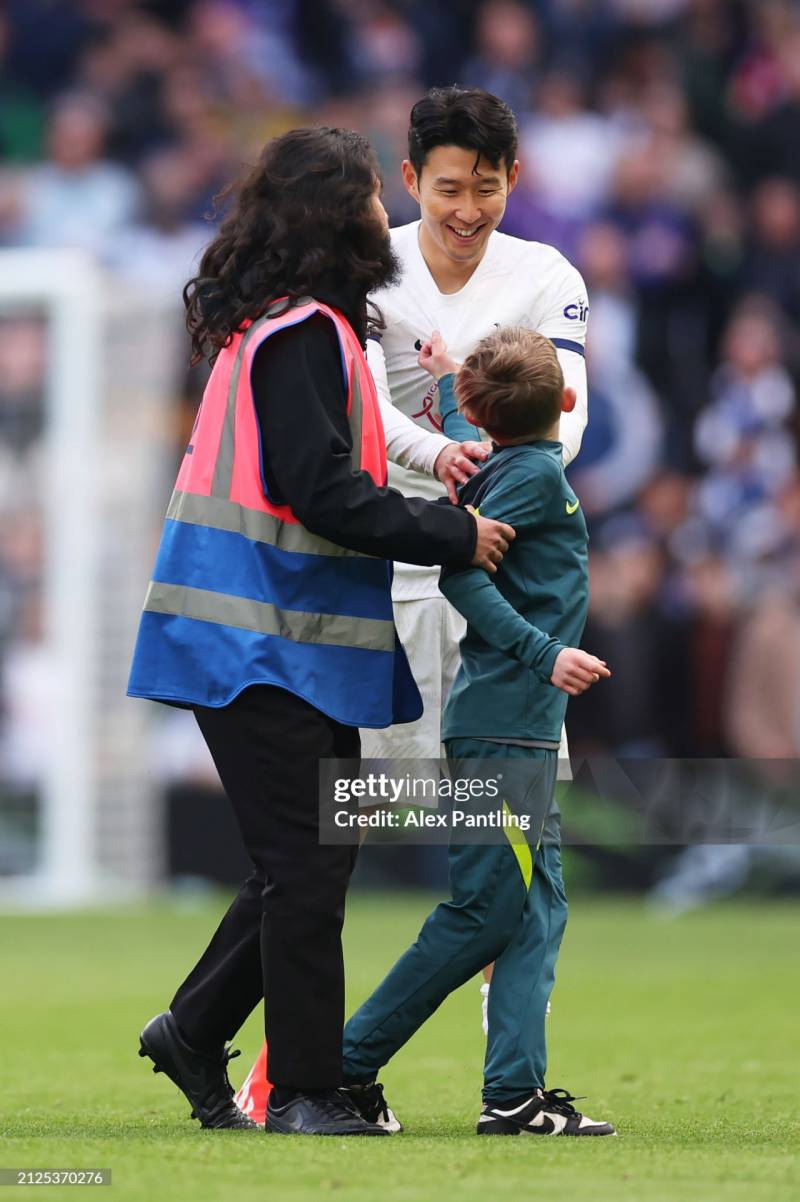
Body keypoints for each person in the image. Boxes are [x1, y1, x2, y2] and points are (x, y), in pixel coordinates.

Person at [127, 126, 515, 1138]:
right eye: (358, 201)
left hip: (269, 632)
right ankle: (304, 1088)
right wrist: (450, 531)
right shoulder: (304, 332)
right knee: (305, 861)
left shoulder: (289, 327)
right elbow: (323, 490)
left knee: (305, 856)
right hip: (253, 634)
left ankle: (195, 1026)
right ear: (328, 221)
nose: (375, 217)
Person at [237, 84, 591, 1118]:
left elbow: (562, 418)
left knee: (516, 844)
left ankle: (506, 1078)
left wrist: (481, 469)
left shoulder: (546, 276)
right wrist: (448, 457)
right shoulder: (372, 271)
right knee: (337, 836)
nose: (466, 209)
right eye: (447, 189)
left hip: (502, 588)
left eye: (484, 188)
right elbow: (356, 409)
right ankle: (295, 1058)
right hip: (389, 577)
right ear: (409, 181)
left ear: (511, 179)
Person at [340, 327, 616, 1137]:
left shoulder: (504, 460)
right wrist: (545, 653)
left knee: (536, 910)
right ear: (567, 402)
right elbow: (459, 571)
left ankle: (514, 1095)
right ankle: (345, 1063)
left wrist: (455, 375)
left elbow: (483, 442)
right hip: (503, 728)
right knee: (484, 914)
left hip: (516, 729)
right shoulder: (534, 474)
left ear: (472, 410)